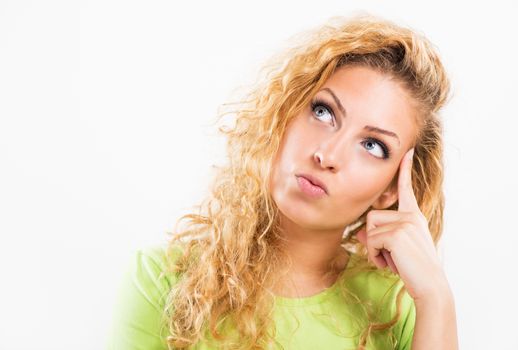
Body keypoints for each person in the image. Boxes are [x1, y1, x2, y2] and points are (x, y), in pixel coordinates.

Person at [107, 13, 458, 350]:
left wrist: (436, 297)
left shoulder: (398, 306)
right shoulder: (163, 281)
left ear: (390, 190)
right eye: (323, 112)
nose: (327, 155)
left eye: (372, 145)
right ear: (283, 113)